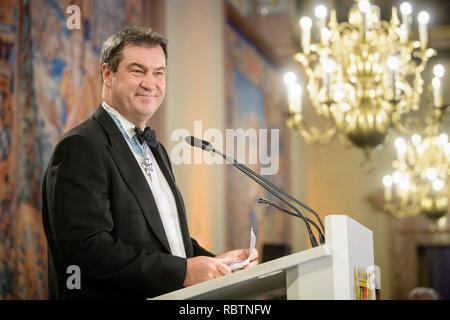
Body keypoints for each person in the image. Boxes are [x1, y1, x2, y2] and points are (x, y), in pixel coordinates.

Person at [41, 26, 258, 300]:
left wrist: (217, 265)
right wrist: (183, 272)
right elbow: (87, 249)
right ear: (108, 74)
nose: (150, 83)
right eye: (137, 70)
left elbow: (166, 239)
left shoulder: (157, 151)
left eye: (159, 73)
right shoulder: (81, 146)